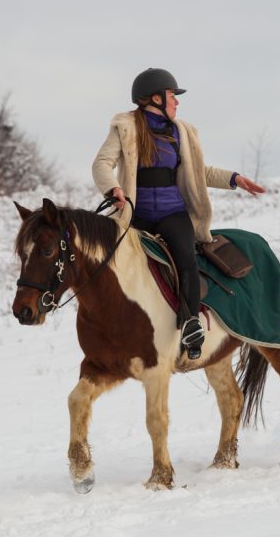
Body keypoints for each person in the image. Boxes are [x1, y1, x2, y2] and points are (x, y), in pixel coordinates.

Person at [92, 68, 265, 359]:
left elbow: (201, 172)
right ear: (156, 98)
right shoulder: (125, 127)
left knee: (185, 258)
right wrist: (113, 191)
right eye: (173, 96)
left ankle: (190, 323)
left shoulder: (182, 131)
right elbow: (101, 164)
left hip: (173, 213)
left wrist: (234, 179)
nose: (177, 102)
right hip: (137, 216)